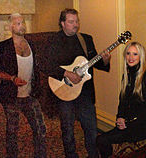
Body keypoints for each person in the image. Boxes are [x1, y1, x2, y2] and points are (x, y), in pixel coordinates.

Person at [39, 8, 111, 158]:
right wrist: (66, 74)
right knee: (68, 130)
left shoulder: (86, 39)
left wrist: (105, 60)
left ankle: (93, 155)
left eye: (77, 21)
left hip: (85, 93)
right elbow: (44, 64)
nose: (75, 25)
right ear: (62, 23)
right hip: (64, 92)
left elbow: (95, 64)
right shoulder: (53, 40)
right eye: (71, 22)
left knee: (91, 129)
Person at [0, 13, 47, 158]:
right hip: (11, 96)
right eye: (18, 23)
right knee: (12, 131)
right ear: (11, 27)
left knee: (40, 128)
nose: (22, 26)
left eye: (23, 22)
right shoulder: (4, 46)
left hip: (30, 95)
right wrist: (12, 78)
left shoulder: (31, 44)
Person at [96, 42, 146, 158]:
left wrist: (128, 123)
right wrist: (119, 117)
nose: (130, 57)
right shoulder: (127, 76)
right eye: (128, 54)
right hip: (127, 123)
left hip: (141, 126)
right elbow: (122, 102)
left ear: (141, 57)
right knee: (100, 139)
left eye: (135, 54)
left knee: (102, 139)